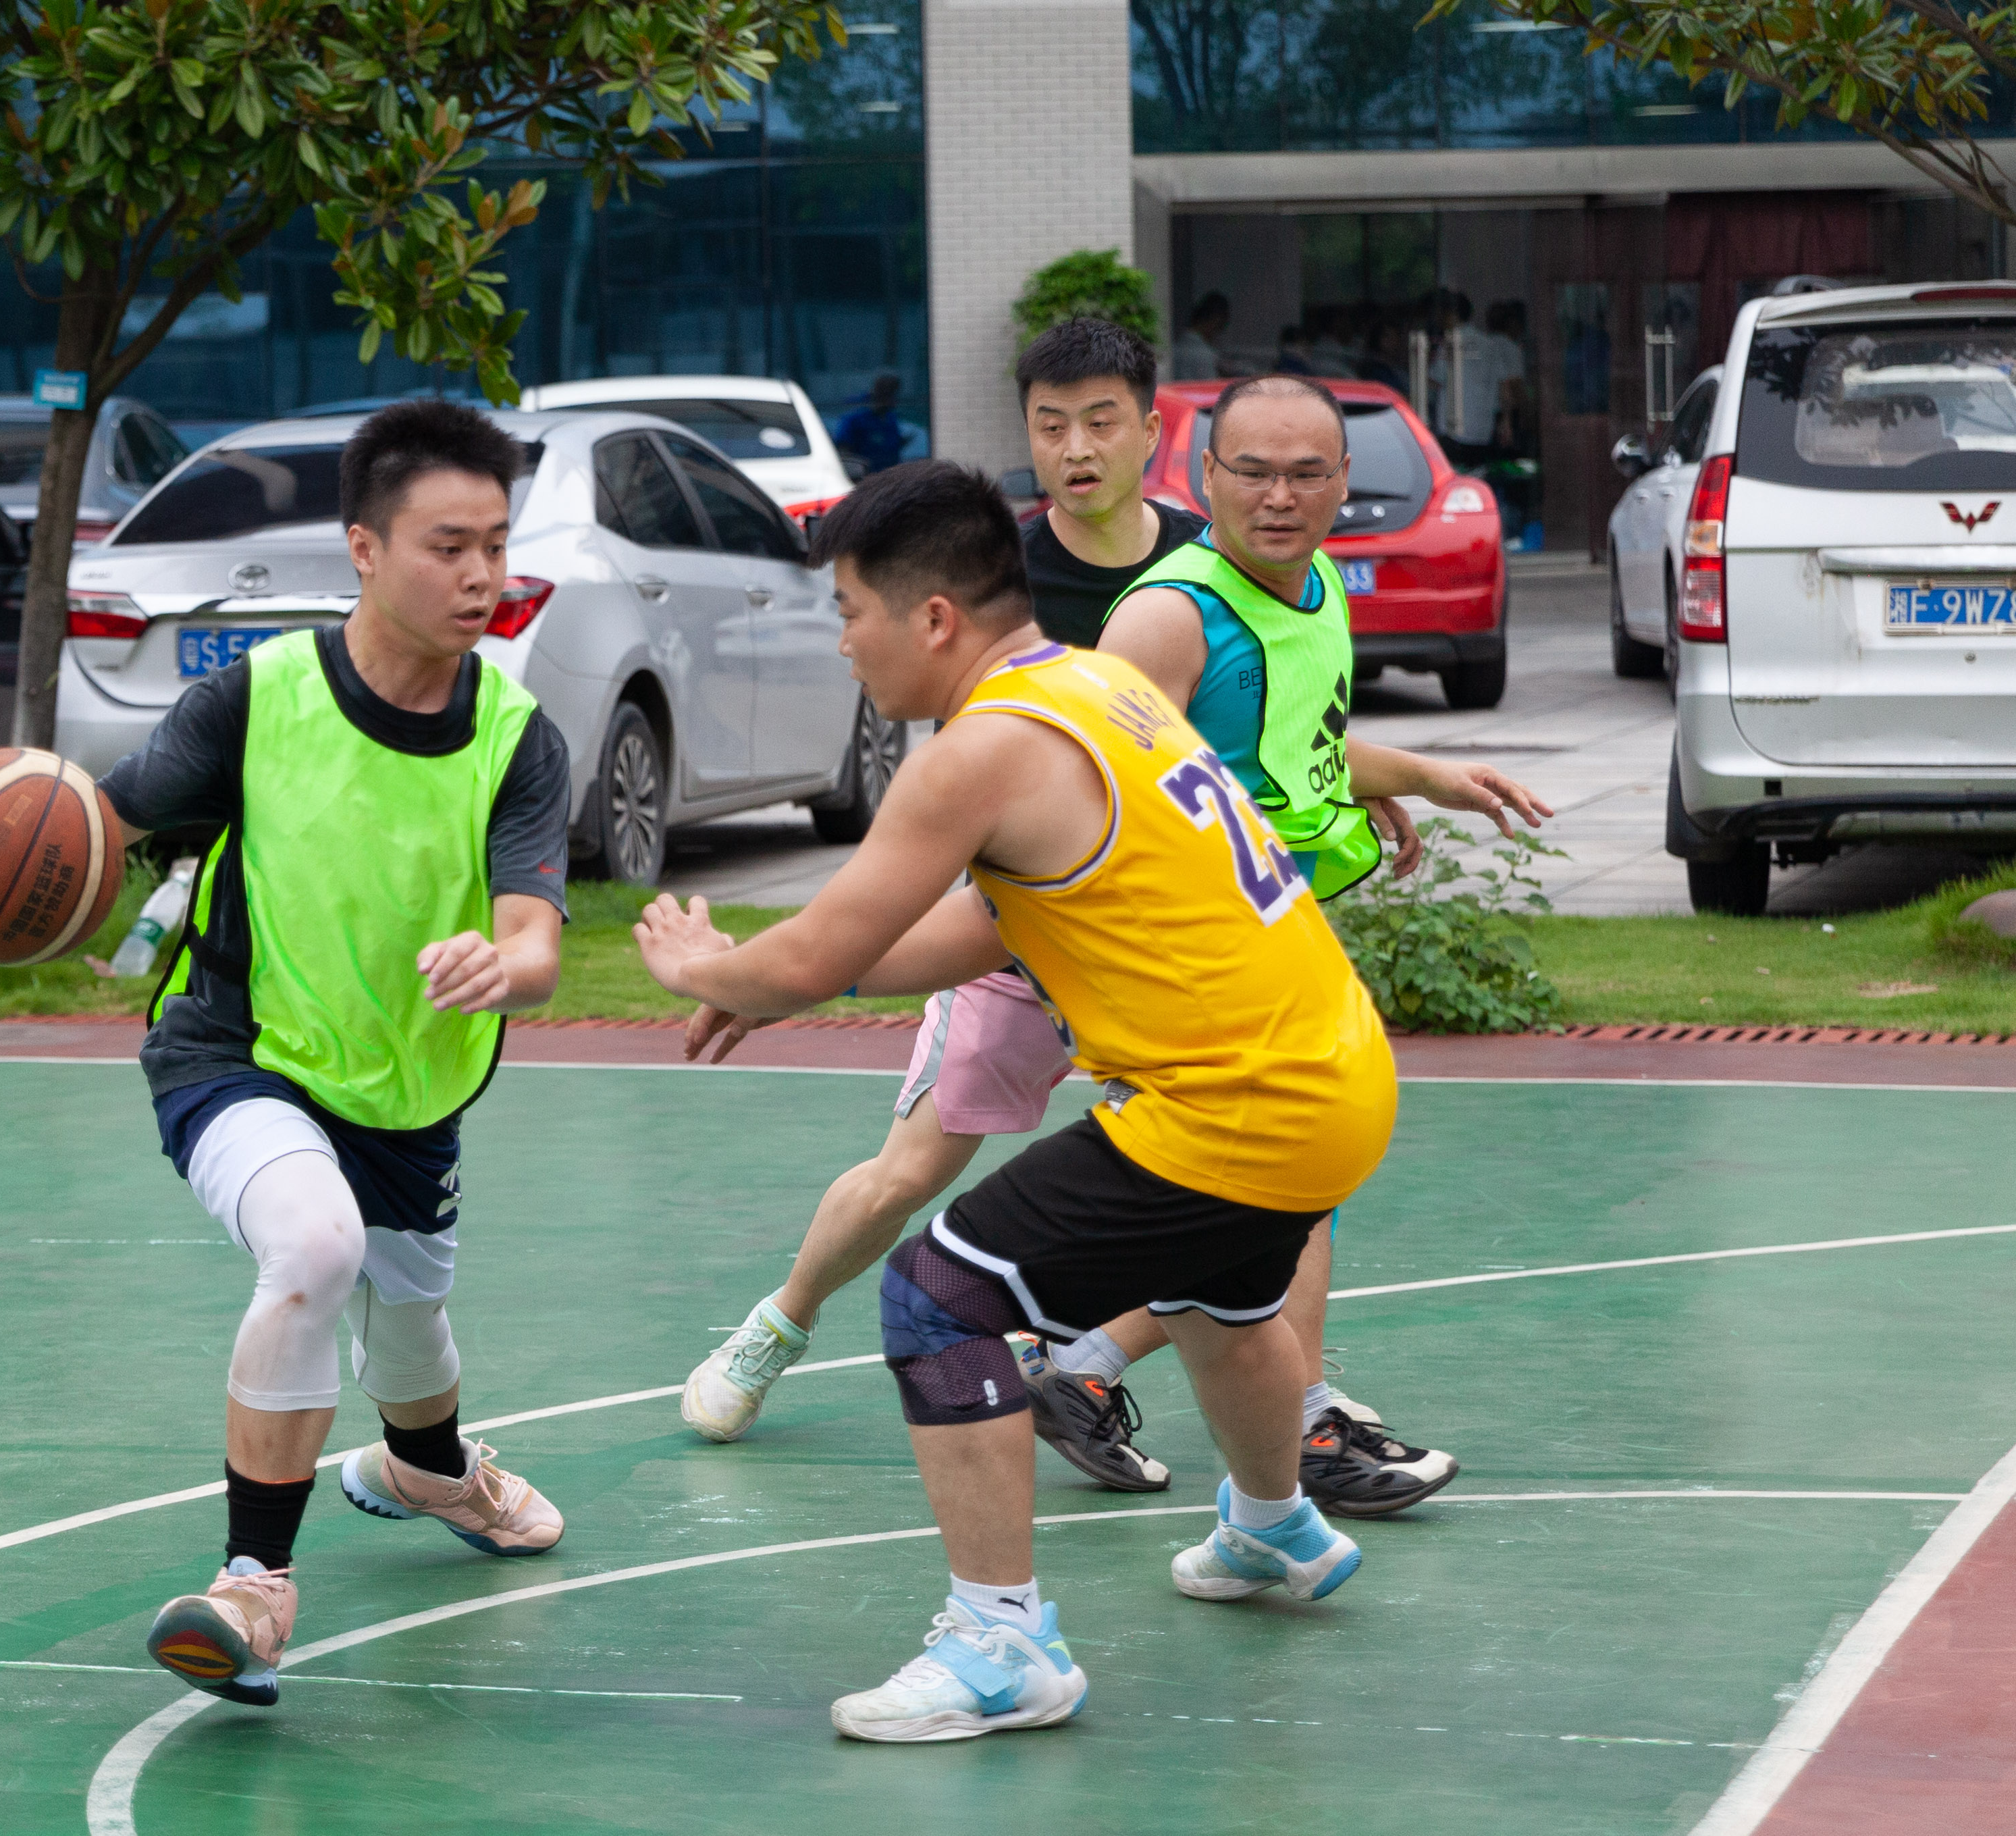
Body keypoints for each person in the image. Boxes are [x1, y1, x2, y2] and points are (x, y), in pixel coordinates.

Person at [679, 350, 1554, 1519]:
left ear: (1151, 436)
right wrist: (791, 971)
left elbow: (1253, 750)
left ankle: (1240, 1443)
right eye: (1051, 424)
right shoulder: (1095, 602)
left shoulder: (1254, 585)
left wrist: (1393, 777)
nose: (1077, 447)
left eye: (1100, 420)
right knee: (922, 1178)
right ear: (1206, 466)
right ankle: (786, 1323)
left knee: (1230, 1198)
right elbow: (1080, 815)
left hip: (1161, 967)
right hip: (1050, 938)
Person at [633, 460, 1401, 1742]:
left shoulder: (980, 747)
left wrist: (708, 966)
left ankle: (1001, 1644)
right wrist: (793, 978)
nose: (842, 642)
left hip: (1232, 1103)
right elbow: (987, 921)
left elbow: (815, 951)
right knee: (1215, 1295)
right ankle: (1272, 1523)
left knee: (937, 1297)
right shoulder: (1095, 686)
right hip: (1335, 1075)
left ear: (932, 617)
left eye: (849, 611)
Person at [0, 399, 577, 1710]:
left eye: (496, 546)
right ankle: (251, 1587)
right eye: (447, 546)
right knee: (315, 1246)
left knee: (409, 1332)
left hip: (407, 1087)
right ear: (363, 548)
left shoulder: (514, 737)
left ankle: (432, 1469)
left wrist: (504, 964)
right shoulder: (259, 699)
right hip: (234, 1051)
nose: (480, 575)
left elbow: (536, 938)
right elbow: (99, 828)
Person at [834, 371, 909, 475]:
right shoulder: (855, 417)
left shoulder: (890, 416)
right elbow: (844, 449)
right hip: (865, 476)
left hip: (890, 474)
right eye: (890, 395)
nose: (894, 401)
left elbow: (891, 442)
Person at [1171, 292, 1231, 380]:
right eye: (1220, 326)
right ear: (1215, 320)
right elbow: (1211, 386)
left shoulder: (1175, 348)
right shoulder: (1204, 355)